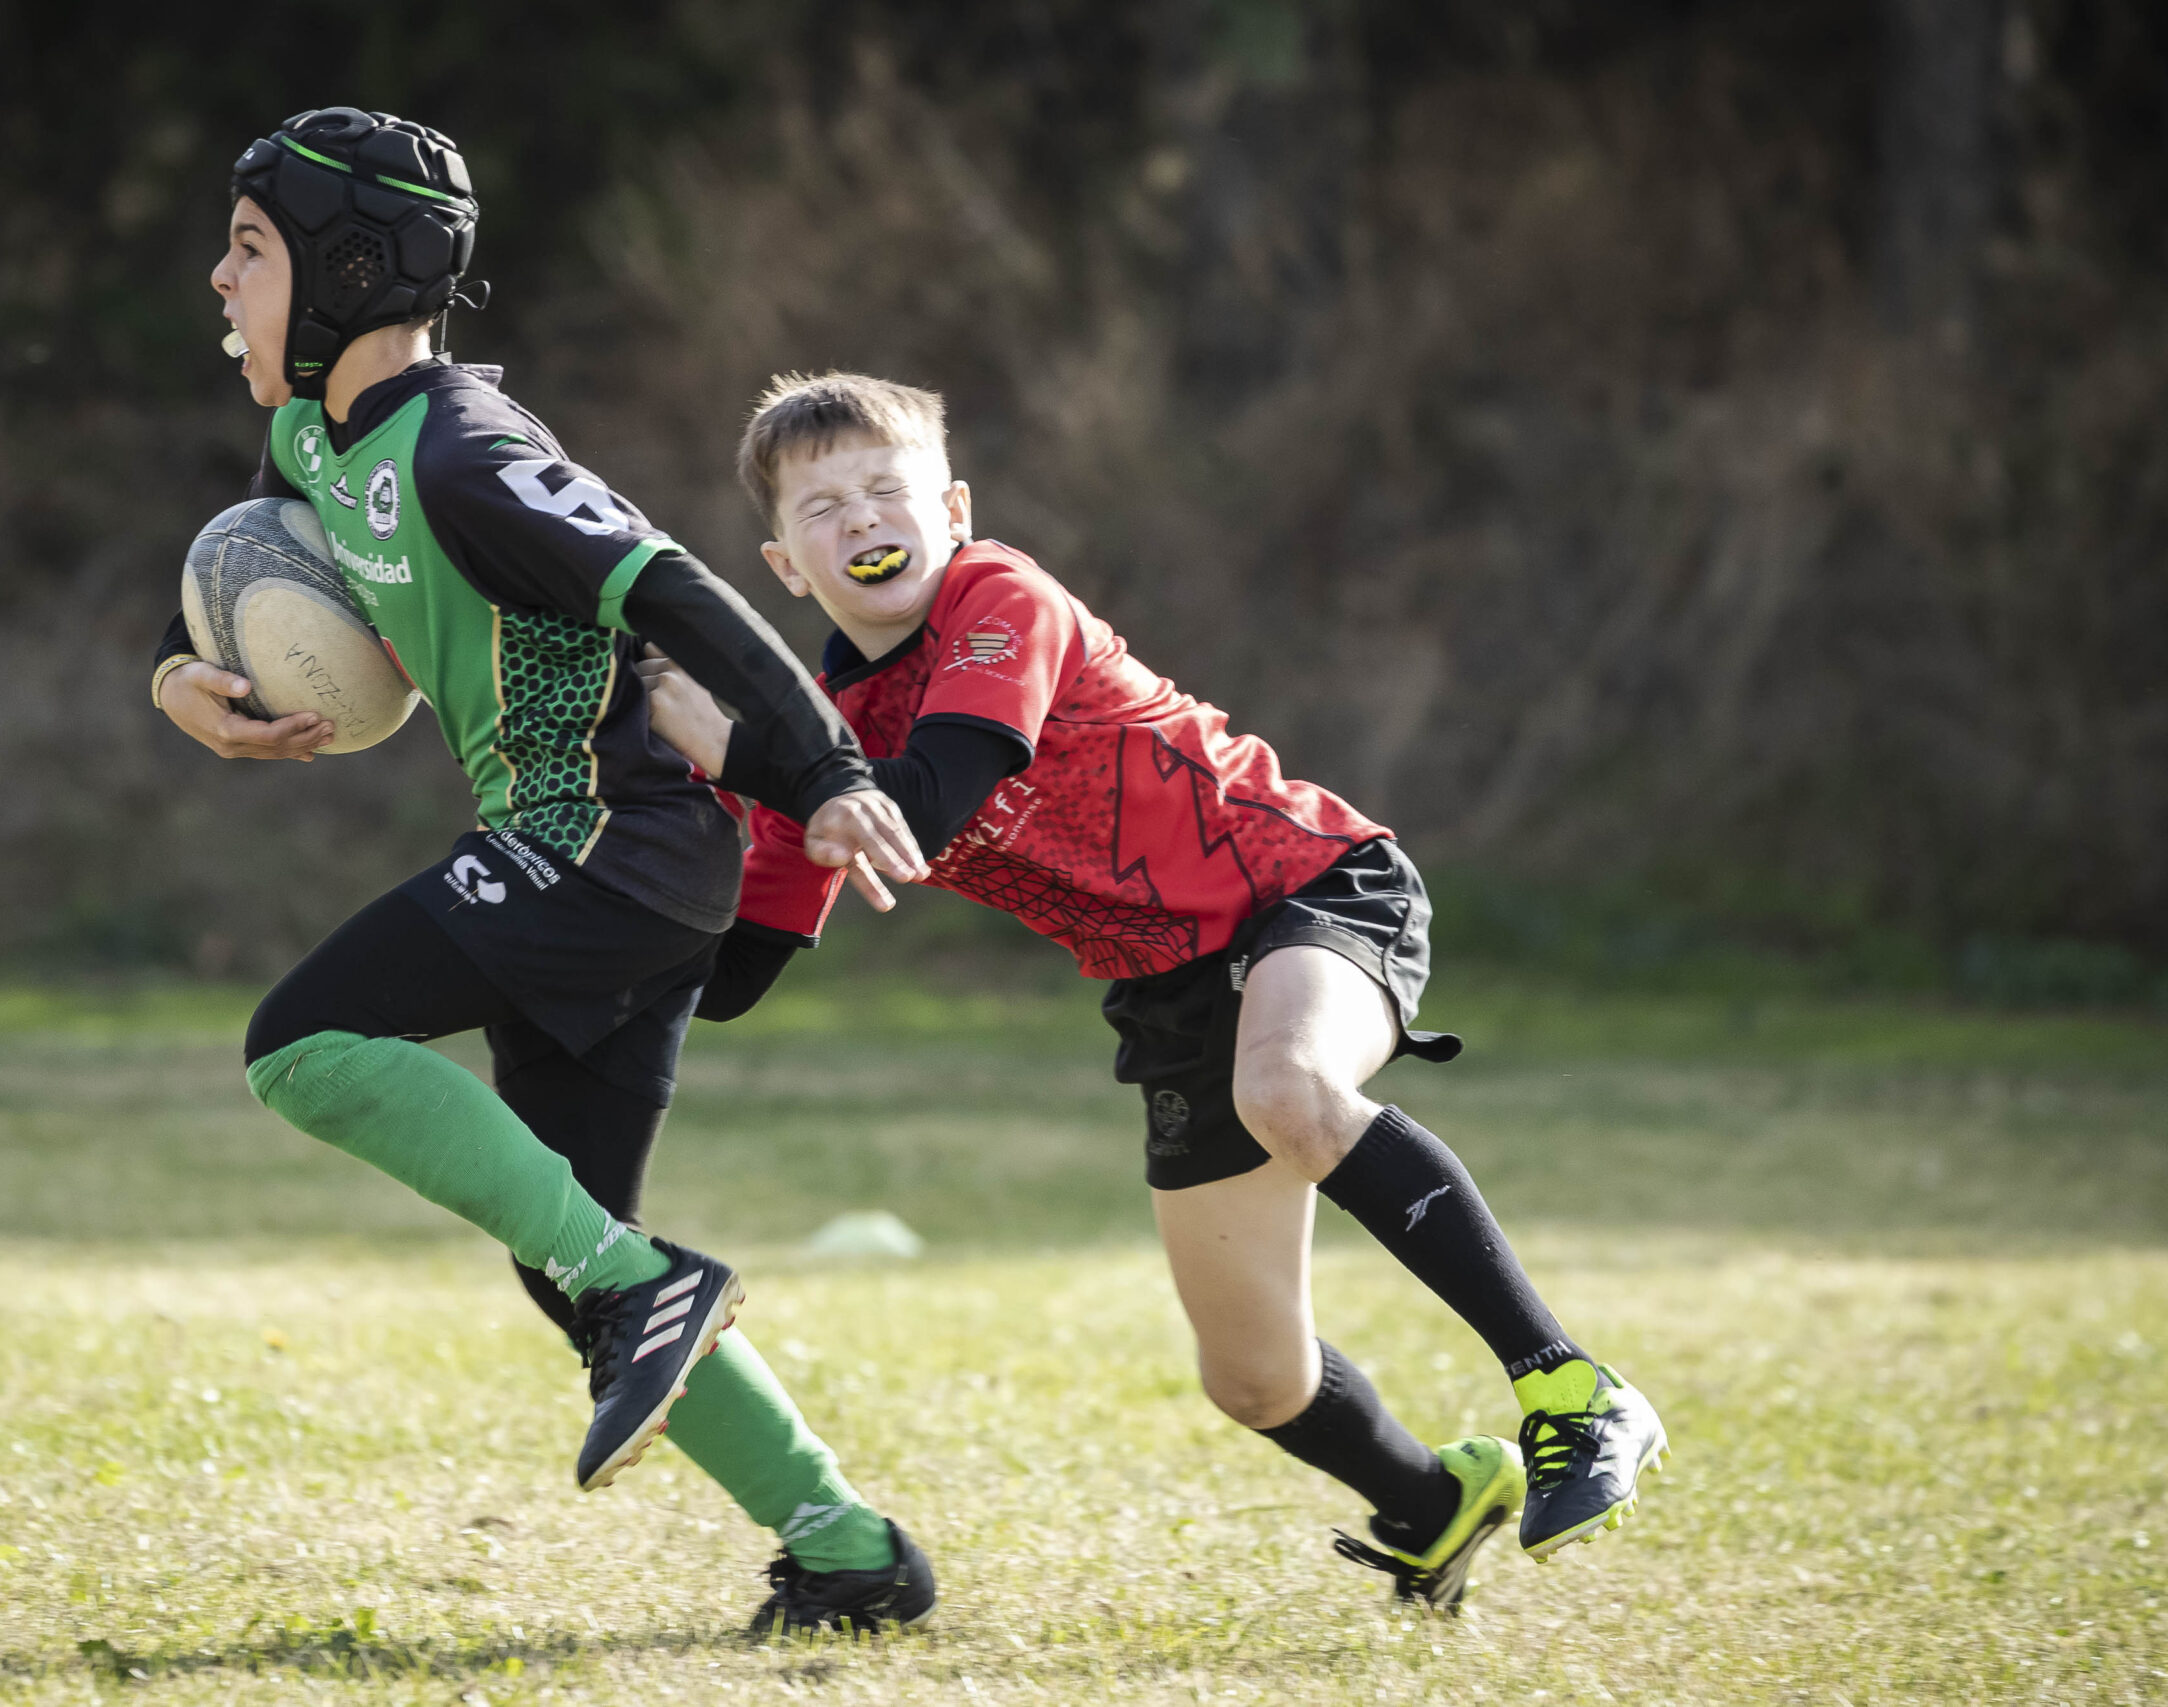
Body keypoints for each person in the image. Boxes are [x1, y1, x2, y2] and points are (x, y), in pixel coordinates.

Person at [641, 371, 1669, 1611]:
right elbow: (737, 973)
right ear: (785, 566)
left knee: (1288, 1085)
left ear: (951, 509)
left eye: (884, 490)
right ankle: (1435, 1505)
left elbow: (936, 795)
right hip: (1167, 997)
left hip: (1307, 890)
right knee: (1251, 1379)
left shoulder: (993, 597)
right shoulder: (818, 733)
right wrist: (560, 949)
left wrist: (737, 750)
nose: (861, 521)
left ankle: (1570, 1389)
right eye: (822, 510)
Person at [151, 111, 937, 1634]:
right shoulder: (319, 435)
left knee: (303, 1043)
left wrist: (826, 764)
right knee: (572, 1254)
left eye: (249, 250)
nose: (217, 277)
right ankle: (846, 1546)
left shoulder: (471, 451)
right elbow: (256, 564)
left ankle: (646, 1288)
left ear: (347, 274)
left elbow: (678, 587)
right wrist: (176, 680)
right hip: (616, 868)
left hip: (609, 849)